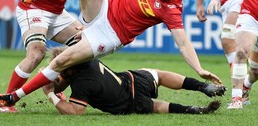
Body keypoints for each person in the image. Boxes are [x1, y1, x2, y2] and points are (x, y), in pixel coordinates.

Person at [0, 0, 224, 108]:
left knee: (62, 60)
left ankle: (14, 97)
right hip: (104, 10)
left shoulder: (172, 9)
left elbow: (183, 44)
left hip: (110, 36)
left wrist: (199, 69)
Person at [40, 47, 226, 115]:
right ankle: (203, 86)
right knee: (157, 74)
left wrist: (50, 94)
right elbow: (65, 80)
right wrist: (56, 82)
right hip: (132, 80)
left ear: (68, 70)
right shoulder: (87, 59)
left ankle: (192, 110)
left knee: (157, 107)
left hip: (129, 104)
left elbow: (76, 111)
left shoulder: (82, 84)